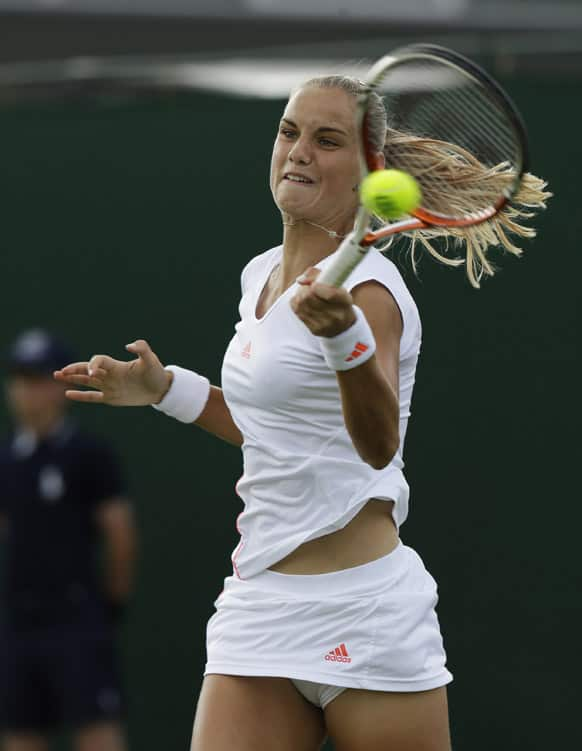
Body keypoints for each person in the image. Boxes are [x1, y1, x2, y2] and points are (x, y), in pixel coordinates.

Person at [54, 75, 549, 751]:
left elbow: (377, 444)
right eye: (290, 131)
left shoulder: (372, 292)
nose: (299, 151)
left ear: (368, 173)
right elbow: (275, 432)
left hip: (364, 611)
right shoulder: (259, 275)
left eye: (327, 139)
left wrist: (345, 339)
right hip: (260, 604)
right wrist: (165, 388)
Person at [0, 329, 138, 751]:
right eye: (21, 380)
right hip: (18, 624)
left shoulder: (88, 454)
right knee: (20, 735)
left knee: (97, 732)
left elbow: (119, 533)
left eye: (40, 380)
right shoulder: (6, 459)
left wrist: (108, 604)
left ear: (62, 389)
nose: (28, 392)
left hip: (77, 619)